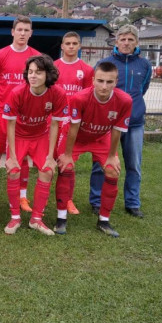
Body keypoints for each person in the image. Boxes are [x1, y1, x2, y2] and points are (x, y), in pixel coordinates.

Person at [56, 61, 132, 237]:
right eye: (100, 81)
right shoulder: (80, 98)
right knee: (66, 167)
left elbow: (117, 130)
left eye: (109, 82)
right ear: (93, 80)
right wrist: (67, 155)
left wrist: (112, 156)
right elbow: (73, 128)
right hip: (76, 137)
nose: (104, 86)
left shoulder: (124, 100)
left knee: (112, 170)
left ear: (116, 82)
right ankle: (61, 218)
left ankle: (103, 221)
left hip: (101, 137)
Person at [90, 25, 151, 218]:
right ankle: (97, 201)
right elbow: (98, 89)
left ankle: (132, 203)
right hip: (108, 123)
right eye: (123, 39)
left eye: (130, 39)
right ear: (116, 41)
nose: (126, 43)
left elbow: (143, 88)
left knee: (133, 164)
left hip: (134, 123)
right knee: (101, 163)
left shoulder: (144, 65)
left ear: (137, 42)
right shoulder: (105, 63)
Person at [3, 55, 67, 236]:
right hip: (19, 136)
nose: (33, 76)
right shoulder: (17, 92)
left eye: (38, 72)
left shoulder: (58, 93)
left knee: (47, 170)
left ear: (48, 74)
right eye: (30, 72)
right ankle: (15, 217)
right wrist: (12, 156)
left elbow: (55, 124)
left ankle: (36, 219)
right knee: (13, 170)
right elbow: (10, 124)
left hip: (40, 136)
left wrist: (50, 156)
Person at [0, 15, 40, 213]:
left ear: (31, 33)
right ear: (12, 32)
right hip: (1, 113)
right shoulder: (1, 55)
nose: (22, 33)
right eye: (19, 30)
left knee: (23, 157)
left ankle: (22, 197)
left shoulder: (36, 57)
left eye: (26, 30)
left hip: (24, 117)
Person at [53, 31, 94, 216]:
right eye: (67, 43)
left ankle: (67, 199)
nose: (71, 46)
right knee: (48, 162)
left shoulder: (87, 70)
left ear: (79, 46)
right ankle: (43, 198)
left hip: (73, 122)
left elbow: (88, 97)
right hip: (54, 121)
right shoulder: (53, 67)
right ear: (62, 46)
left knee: (67, 162)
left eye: (74, 43)